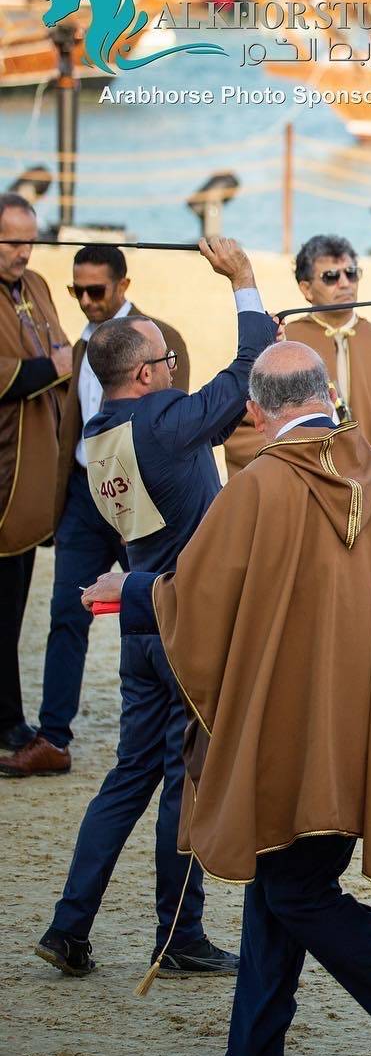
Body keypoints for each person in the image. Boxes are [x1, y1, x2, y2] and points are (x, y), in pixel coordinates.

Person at [84, 341, 371, 1056]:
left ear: (255, 410)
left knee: (298, 893)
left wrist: (132, 591)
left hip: (291, 740)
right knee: (280, 886)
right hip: (369, 731)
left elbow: (199, 602)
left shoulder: (259, 487)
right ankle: (252, 1054)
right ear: (327, 391)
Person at [30, 236, 268, 979]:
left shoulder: (100, 440)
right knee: (182, 779)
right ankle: (179, 937)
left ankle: (69, 927)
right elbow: (244, 373)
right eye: (166, 362)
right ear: (142, 373)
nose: (173, 370)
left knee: (128, 778)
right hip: (183, 622)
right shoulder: (164, 424)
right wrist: (244, 281)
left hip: (139, 623)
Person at [1, 245, 190, 777]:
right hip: (85, 495)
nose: (85, 301)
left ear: (123, 286)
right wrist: (57, 501)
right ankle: (53, 739)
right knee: (68, 613)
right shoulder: (77, 345)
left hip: (138, 494)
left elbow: (176, 422)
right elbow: (68, 425)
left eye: (96, 291)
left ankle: (186, 720)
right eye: (75, 291)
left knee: (160, 606)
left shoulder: (160, 340)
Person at [222, 234, 371, 506]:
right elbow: (245, 427)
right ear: (306, 289)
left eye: (351, 273)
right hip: (304, 494)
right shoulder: (283, 344)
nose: (344, 283)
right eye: (330, 276)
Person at [0, 192, 70, 753]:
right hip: (4, 468)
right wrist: (54, 367)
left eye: (30, 240)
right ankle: (7, 720)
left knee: (16, 600)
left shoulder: (39, 286)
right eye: (13, 241)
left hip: (37, 467)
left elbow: (62, 348)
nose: (25, 252)